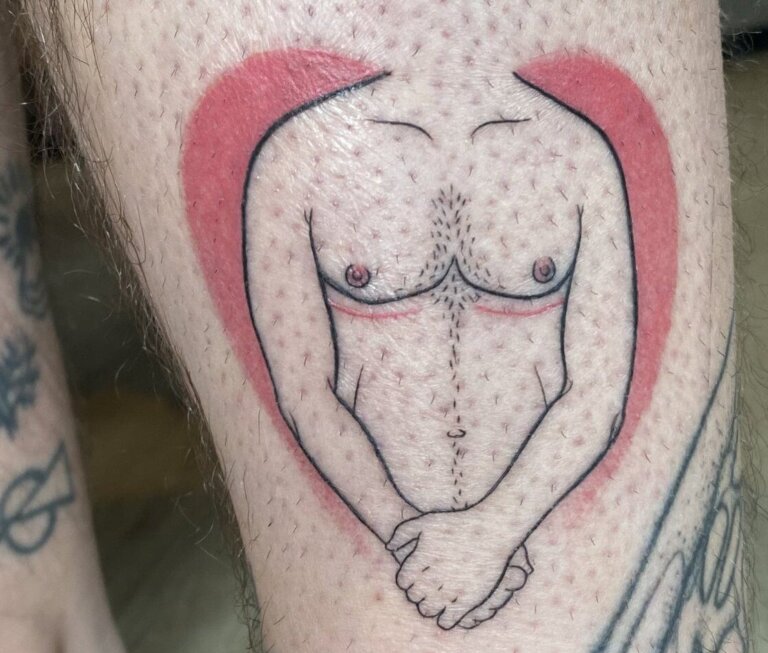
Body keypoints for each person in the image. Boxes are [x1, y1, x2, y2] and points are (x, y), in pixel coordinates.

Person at [1, 1, 748, 651]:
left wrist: (493, 531)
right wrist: (422, 544)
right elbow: (305, 390)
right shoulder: (290, 153)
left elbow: (599, 389)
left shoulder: (579, 155)